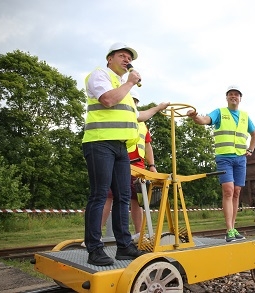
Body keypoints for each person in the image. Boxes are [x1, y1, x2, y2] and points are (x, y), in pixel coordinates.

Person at [82, 42, 169, 266]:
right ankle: (94, 249)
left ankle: (124, 247)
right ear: (109, 58)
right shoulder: (100, 75)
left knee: (123, 196)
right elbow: (108, 100)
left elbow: (137, 116)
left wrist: (158, 109)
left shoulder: (124, 86)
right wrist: (130, 82)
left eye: (129, 58)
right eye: (122, 56)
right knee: (100, 195)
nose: (127, 60)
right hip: (100, 143)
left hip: (121, 148)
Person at [187, 85, 255, 242]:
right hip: (224, 158)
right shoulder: (220, 112)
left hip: (240, 159)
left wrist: (251, 149)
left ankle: (233, 227)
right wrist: (194, 117)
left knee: (237, 192)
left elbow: (254, 134)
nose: (234, 96)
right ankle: (229, 230)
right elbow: (204, 120)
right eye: (231, 94)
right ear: (227, 98)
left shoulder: (245, 116)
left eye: (236, 95)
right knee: (228, 190)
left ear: (240, 98)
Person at [101, 92, 157, 241]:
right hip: (119, 163)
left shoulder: (143, 123)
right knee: (108, 196)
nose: (134, 103)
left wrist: (152, 165)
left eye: (136, 101)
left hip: (138, 166)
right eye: (132, 100)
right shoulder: (119, 117)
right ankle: (96, 235)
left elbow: (147, 145)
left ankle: (139, 234)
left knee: (137, 199)